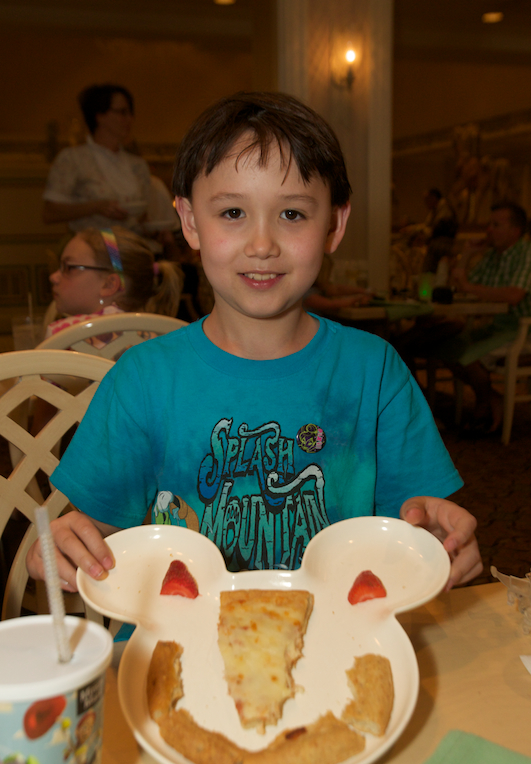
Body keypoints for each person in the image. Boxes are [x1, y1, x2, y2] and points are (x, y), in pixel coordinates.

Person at [26, 91, 481, 595]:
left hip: (337, 635)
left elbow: (412, 527)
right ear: (190, 221)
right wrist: (68, 543)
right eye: (232, 212)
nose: (262, 245)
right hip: (177, 637)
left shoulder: (374, 373)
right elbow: (98, 534)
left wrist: (436, 541)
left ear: (334, 224)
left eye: (292, 215)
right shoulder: (141, 379)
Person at [42, 83, 179, 253]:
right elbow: (50, 213)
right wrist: (96, 207)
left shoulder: (137, 165)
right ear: (99, 116)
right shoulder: (73, 159)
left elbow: (140, 219)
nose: (129, 119)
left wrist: (155, 231)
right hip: (93, 249)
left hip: (131, 247)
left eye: (130, 113)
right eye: (122, 112)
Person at [439, 201, 531, 433]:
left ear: (515, 231)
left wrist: (469, 287)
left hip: (522, 332)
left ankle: (483, 406)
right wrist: (468, 254)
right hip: (494, 328)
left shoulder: (527, 254)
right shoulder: (492, 256)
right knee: (445, 346)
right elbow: (459, 287)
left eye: (496, 225)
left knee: (470, 356)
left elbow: (514, 295)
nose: (489, 230)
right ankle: (491, 398)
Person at [46, 226, 183, 339]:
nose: (54, 277)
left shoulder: (63, 336)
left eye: (69, 267)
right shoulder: (160, 337)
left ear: (109, 285)